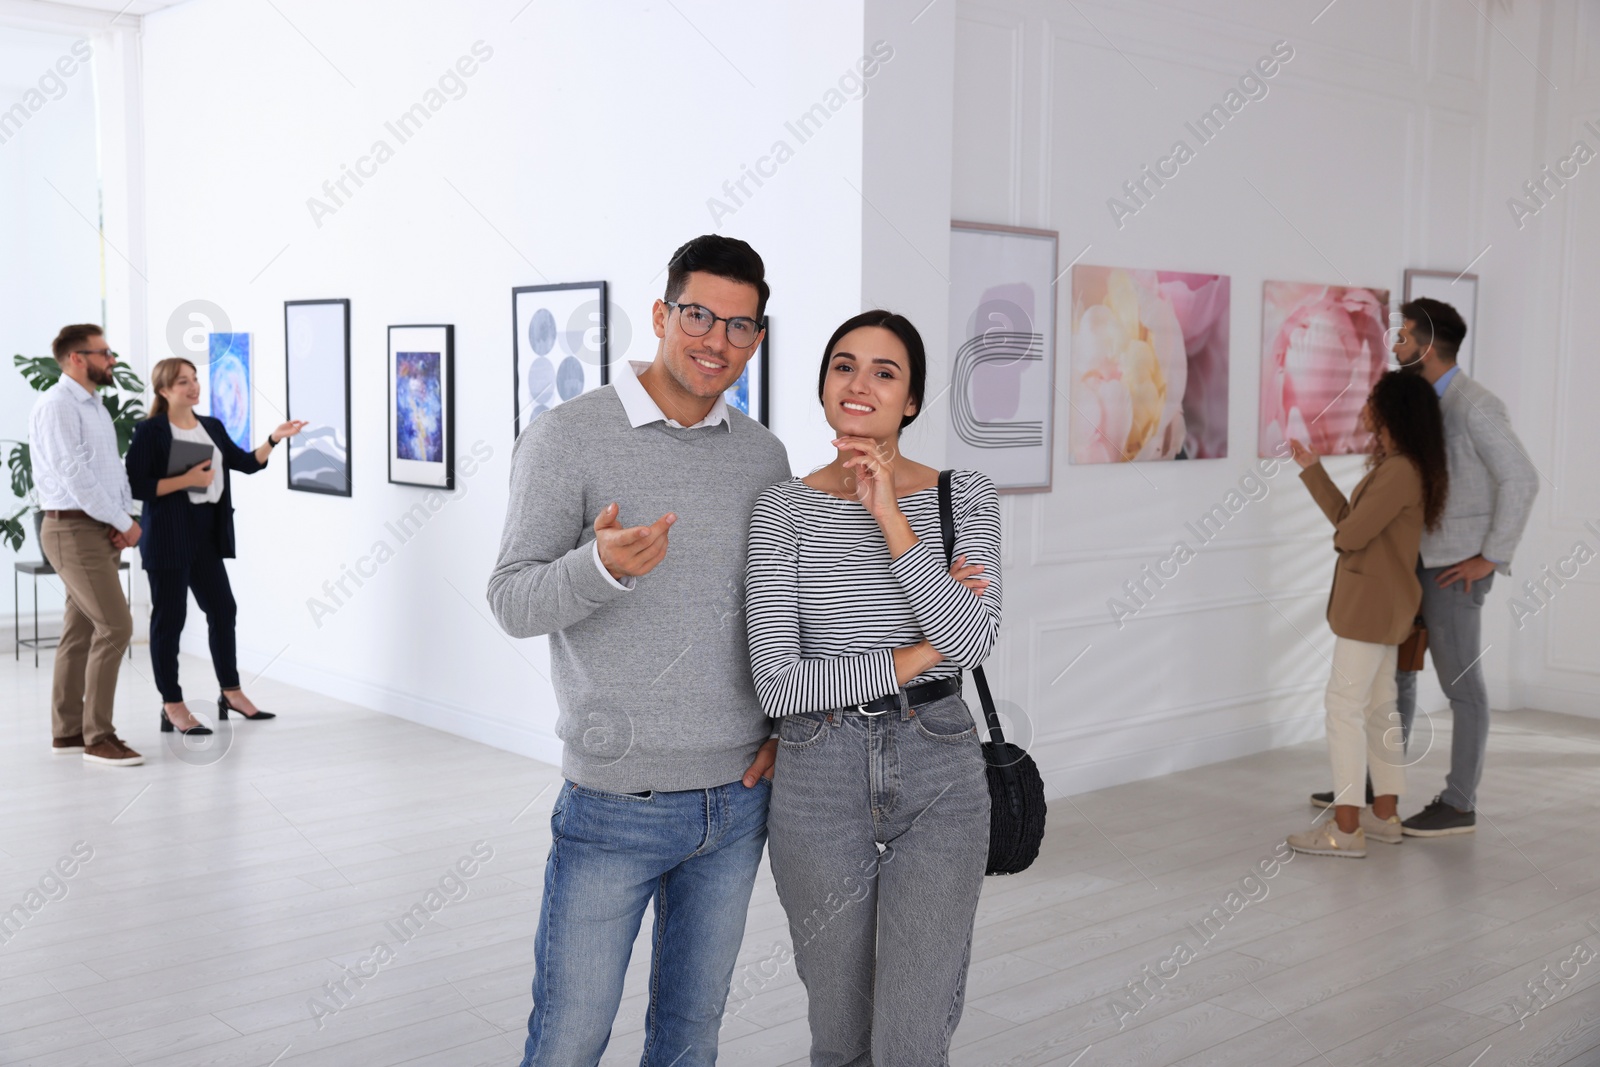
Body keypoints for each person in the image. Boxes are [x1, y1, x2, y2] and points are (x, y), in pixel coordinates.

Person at [487, 235, 790, 1067]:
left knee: (690, 1041)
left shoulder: (765, 456)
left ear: (757, 338)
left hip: (736, 801)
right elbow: (511, 597)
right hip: (615, 800)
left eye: (739, 325)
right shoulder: (568, 437)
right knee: (569, 1040)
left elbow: (780, 611)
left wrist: (781, 726)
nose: (715, 340)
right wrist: (599, 569)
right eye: (698, 314)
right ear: (661, 314)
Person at [746, 310, 1001, 1065]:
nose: (860, 384)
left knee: (912, 1035)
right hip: (816, 774)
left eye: (884, 372)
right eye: (844, 366)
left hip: (940, 766)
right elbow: (779, 682)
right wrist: (923, 649)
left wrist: (891, 516)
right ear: (824, 385)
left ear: (912, 399)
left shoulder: (964, 495)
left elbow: (977, 641)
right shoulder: (782, 509)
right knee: (841, 1032)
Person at [1309, 298, 1538, 837]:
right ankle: (1379, 789)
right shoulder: (1419, 402)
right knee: (1395, 684)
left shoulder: (1476, 405)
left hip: (1455, 569)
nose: (1395, 346)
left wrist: (1491, 556)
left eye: (1404, 337)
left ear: (1427, 346)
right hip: (1406, 567)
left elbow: (1521, 478)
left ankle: (1459, 803)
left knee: (1462, 686)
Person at [1286, 371, 1448, 858]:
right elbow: (1351, 524)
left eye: (1374, 405)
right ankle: (1384, 817)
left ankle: (1345, 829)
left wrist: (1347, 532)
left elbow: (1350, 535)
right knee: (1380, 712)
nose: (1366, 412)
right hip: (1388, 610)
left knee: (1343, 709)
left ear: (1392, 412)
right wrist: (1313, 469)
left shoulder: (1399, 470)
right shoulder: (1407, 467)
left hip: (1370, 611)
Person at [123, 358, 305, 735]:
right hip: (169, 536)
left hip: (206, 534)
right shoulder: (150, 431)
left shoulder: (212, 426)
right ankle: (172, 704)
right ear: (163, 390)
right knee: (170, 620)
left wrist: (273, 439)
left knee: (223, 609)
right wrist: (186, 478)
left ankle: (231, 693)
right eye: (182, 382)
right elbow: (138, 487)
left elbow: (246, 463)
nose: (193, 388)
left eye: (194, 380)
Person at [30, 324, 144, 766]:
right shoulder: (57, 405)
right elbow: (73, 476)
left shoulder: (93, 405)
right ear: (77, 358)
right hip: (72, 530)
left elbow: (111, 471)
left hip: (97, 527)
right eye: (104, 352)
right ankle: (99, 737)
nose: (111, 359)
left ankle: (68, 732)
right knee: (116, 627)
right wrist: (122, 522)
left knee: (79, 631)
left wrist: (124, 519)